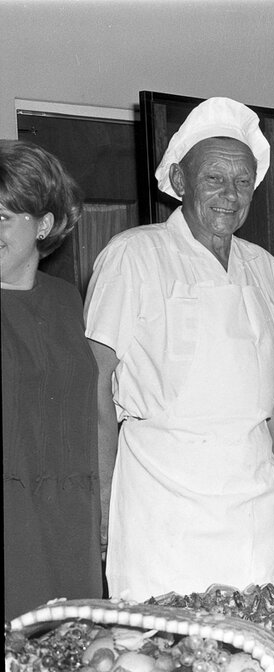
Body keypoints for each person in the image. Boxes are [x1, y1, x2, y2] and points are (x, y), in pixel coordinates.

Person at [84, 97, 274, 600]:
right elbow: (96, 381)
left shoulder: (265, 268)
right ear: (181, 181)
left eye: (242, 181)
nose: (230, 195)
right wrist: (101, 500)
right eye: (214, 178)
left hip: (253, 500)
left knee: (252, 639)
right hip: (162, 502)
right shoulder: (132, 256)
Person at [1, 140, 102, 619]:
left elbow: (97, 407)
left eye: (3, 217)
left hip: (71, 515)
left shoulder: (69, 300)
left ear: (43, 224)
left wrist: (103, 508)